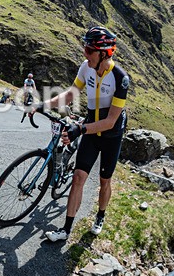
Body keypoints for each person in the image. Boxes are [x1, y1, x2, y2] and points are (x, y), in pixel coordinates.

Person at [35, 26, 129, 242]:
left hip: (111, 135)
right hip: (91, 131)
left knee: (105, 181)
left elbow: (110, 121)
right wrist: (43, 104)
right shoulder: (86, 68)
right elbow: (70, 95)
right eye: (85, 48)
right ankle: (65, 230)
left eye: (89, 50)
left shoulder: (120, 78)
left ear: (103, 53)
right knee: (78, 178)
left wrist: (80, 129)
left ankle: (100, 215)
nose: (85, 54)